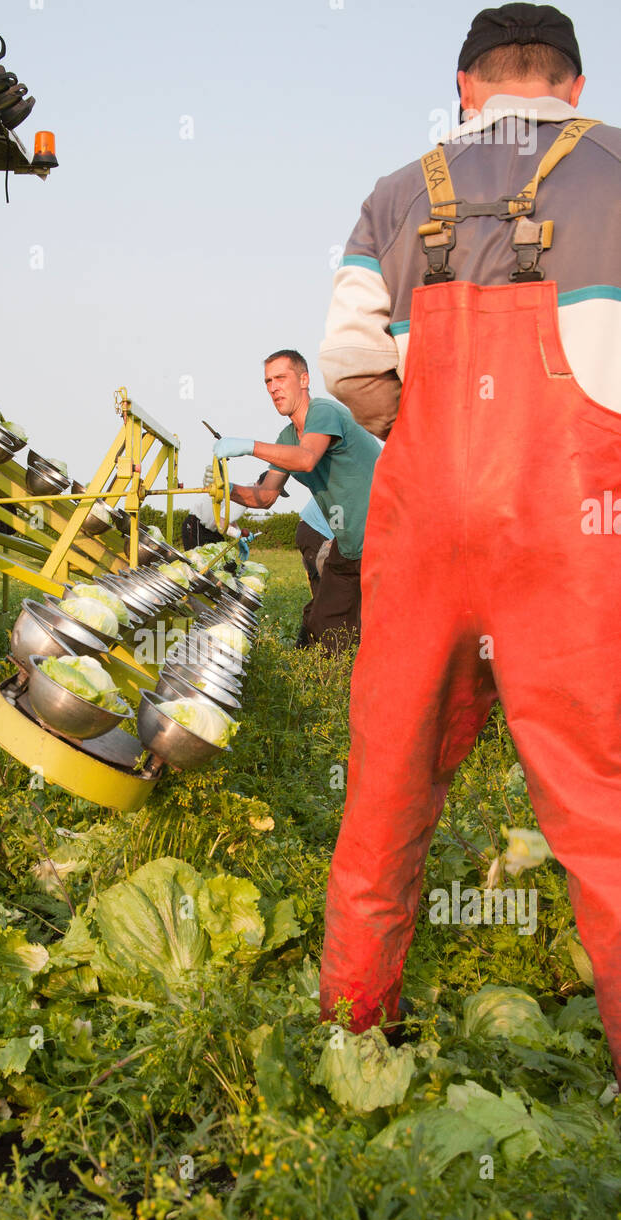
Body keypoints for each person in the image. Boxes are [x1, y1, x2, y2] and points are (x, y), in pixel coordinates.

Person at [316, 3, 621, 1085]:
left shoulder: (396, 194)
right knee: (601, 805)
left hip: (425, 531)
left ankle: (353, 1033)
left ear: (464, 86)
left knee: (386, 785)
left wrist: (436, 436)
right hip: (577, 533)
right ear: (571, 87)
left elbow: (348, 361)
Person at [214, 350, 381, 651]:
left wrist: (250, 446)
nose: (273, 388)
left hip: (389, 533)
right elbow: (265, 496)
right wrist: (223, 489)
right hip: (350, 542)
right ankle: (326, 683)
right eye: (267, 381)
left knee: (394, 623)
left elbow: (306, 459)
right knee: (324, 626)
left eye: (281, 378)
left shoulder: (324, 412)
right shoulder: (287, 437)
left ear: (304, 380)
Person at [294, 498, 335, 649]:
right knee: (326, 592)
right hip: (316, 531)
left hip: (314, 530)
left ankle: (310, 645)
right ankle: (306, 645)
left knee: (330, 591)